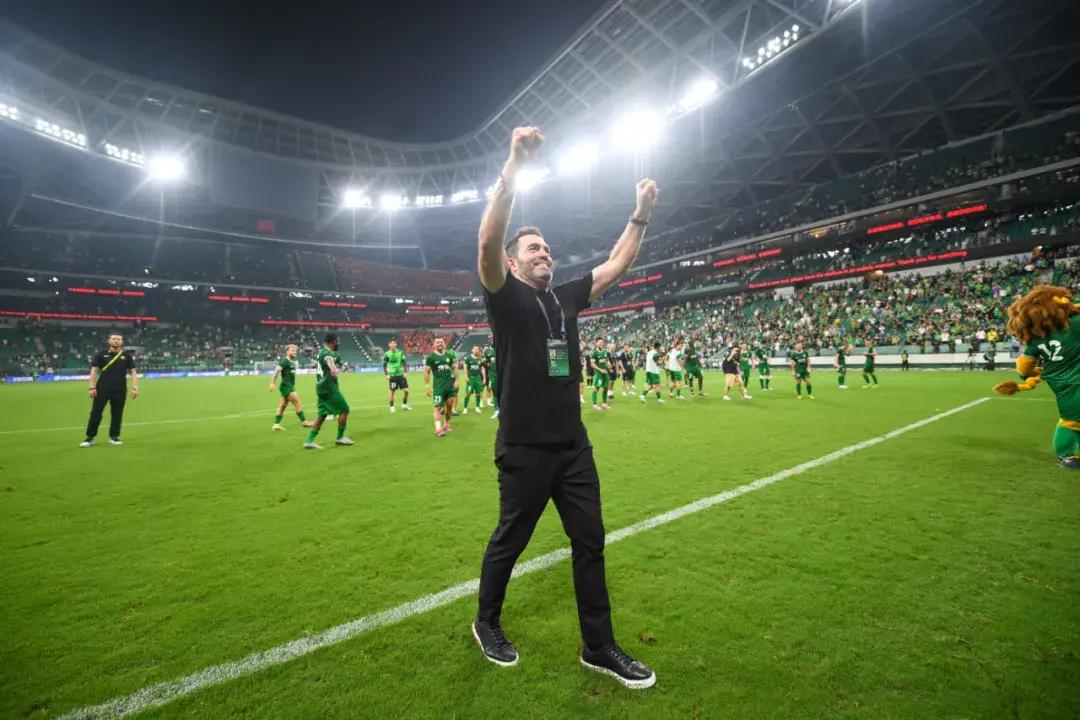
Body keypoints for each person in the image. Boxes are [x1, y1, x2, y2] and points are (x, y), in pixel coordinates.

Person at [472, 125, 658, 688]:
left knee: (590, 542)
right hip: (524, 448)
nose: (544, 252)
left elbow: (617, 263)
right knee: (510, 540)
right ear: (513, 262)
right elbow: (487, 243)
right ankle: (486, 622)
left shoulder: (564, 298)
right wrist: (513, 166)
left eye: (547, 248)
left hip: (573, 447)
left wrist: (641, 212)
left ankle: (598, 646)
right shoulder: (504, 295)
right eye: (533, 248)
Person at [79, 333, 138, 447]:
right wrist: (91, 387)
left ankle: (114, 436)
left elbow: (133, 371)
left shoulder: (126, 356)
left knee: (117, 413)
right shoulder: (101, 354)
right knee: (96, 412)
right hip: (102, 388)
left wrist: (135, 387)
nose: (116, 341)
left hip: (120, 389)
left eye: (119, 339)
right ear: (109, 341)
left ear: (122, 341)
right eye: (114, 339)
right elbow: (94, 370)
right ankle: (90, 438)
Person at [303, 334, 353, 449]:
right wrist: (333, 369)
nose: (339, 343)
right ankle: (340, 437)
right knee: (345, 410)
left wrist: (338, 367)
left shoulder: (324, 353)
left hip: (321, 387)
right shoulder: (326, 352)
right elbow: (329, 360)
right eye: (337, 341)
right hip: (328, 387)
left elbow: (335, 362)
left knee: (322, 414)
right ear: (332, 342)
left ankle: (309, 441)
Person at [269, 343, 314, 430]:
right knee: (297, 402)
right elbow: (277, 370)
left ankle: (276, 424)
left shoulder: (292, 362)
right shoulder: (284, 361)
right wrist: (272, 383)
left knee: (283, 405)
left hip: (288, 386)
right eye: (292, 350)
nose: (295, 352)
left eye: (295, 350)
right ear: (287, 351)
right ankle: (304, 422)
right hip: (287, 386)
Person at [425, 336, 458, 436]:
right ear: (434, 345)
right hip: (438, 387)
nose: (440, 344)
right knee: (438, 407)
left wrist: (456, 380)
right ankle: (438, 429)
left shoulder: (449, 355)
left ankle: (446, 424)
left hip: (450, 386)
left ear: (444, 344)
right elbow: (427, 372)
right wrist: (427, 385)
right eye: (438, 342)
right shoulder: (431, 357)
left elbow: (454, 368)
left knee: (449, 406)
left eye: (442, 342)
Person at [383, 339, 412, 413]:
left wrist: (405, 372)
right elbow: (384, 364)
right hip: (392, 376)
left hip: (401, 375)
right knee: (392, 392)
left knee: (406, 391)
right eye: (391, 343)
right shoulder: (387, 354)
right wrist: (386, 374)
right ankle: (392, 407)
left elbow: (404, 362)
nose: (393, 344)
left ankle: (404, 405)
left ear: (396, 344)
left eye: (394, 343)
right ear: (389, 345)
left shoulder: (400, 352)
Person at [462, 345, 486, 414]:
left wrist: (484, 378)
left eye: (477, 349)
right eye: (474, 349)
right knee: (468, 393)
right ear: (472, 350)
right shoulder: (468, 358)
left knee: (478, 393)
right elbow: (465, 368)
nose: (475, 350)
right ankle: (465, 408)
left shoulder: (480, 359)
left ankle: (477, 407)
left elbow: (482, 369)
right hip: (471, 379)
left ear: (479, 351)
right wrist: (466, 376)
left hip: (478, 379)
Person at [591, 338, 613, 410]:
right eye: (599, 342)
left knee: (606, 388)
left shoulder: (605, 352)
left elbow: (607, 360)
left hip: (605, 373)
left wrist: (609, 365)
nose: (601, 343)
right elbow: (592, 364)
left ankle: (604, 404)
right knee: (596, 388)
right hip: (598, 374)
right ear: (596, 343)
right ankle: (594, 404)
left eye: (602, 342)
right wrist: (600, 370)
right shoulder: (594, 353)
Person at [483, 341, 500, 419]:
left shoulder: (502, 348)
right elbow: (484, 362)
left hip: (503, 374)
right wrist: (487, 365)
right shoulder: (487, 351)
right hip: (493, 375)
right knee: (495, 392)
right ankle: (497, 410)